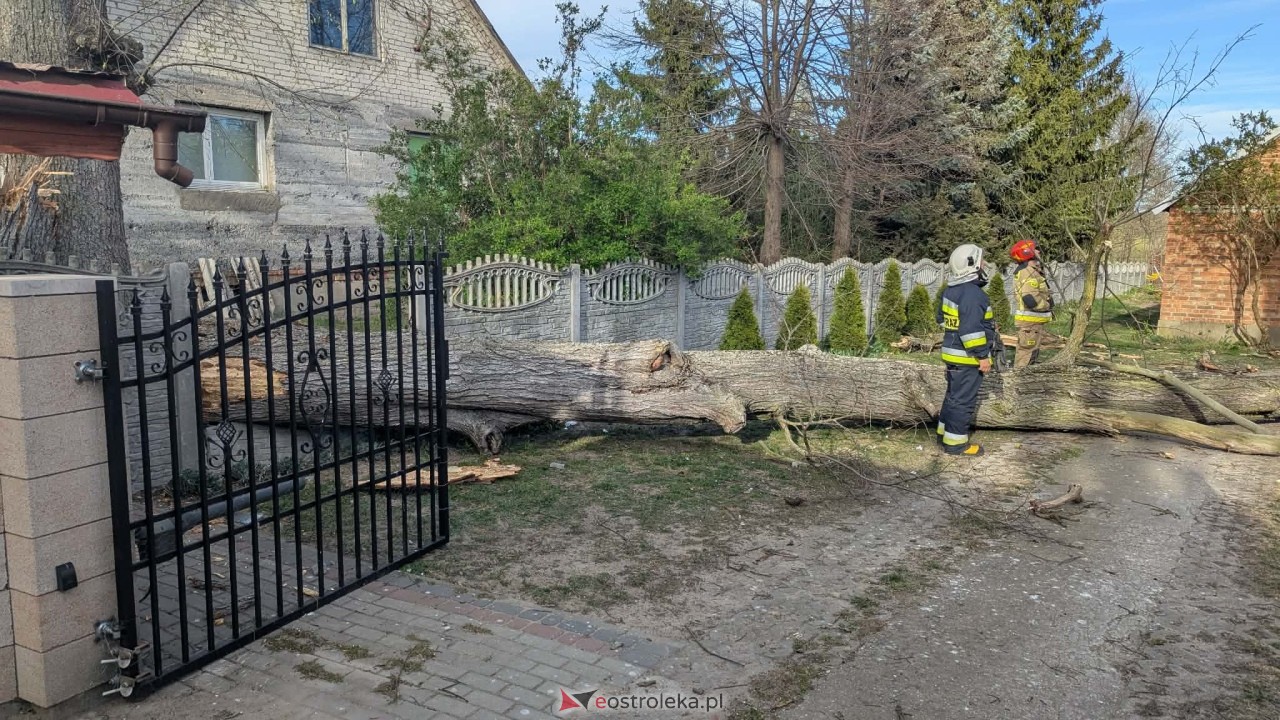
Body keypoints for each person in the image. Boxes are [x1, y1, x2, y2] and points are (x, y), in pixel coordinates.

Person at [935, 243, 998, 457]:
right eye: (981, 260)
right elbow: (971, 330)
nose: (984, 264)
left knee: (953, 396)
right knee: (963, 401)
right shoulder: (974, 295)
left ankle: (943, 433)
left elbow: (941, 320)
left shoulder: (950, 291)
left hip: (951, 354)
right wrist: (983, 356)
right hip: (967, 358)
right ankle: (956, 444)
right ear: (972, 264)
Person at [1010, 239, 1054, 369]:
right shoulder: (1027, 272)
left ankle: (1024, 382)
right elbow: (1030, 298)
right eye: (1036, 249)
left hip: (1033, 323)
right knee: (1026, 355)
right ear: (1027, 252)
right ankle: (1019, 381)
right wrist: (1047, 305)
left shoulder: (1033, 270)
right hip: (1029, 323)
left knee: (1032, 353)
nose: (1039, 251)